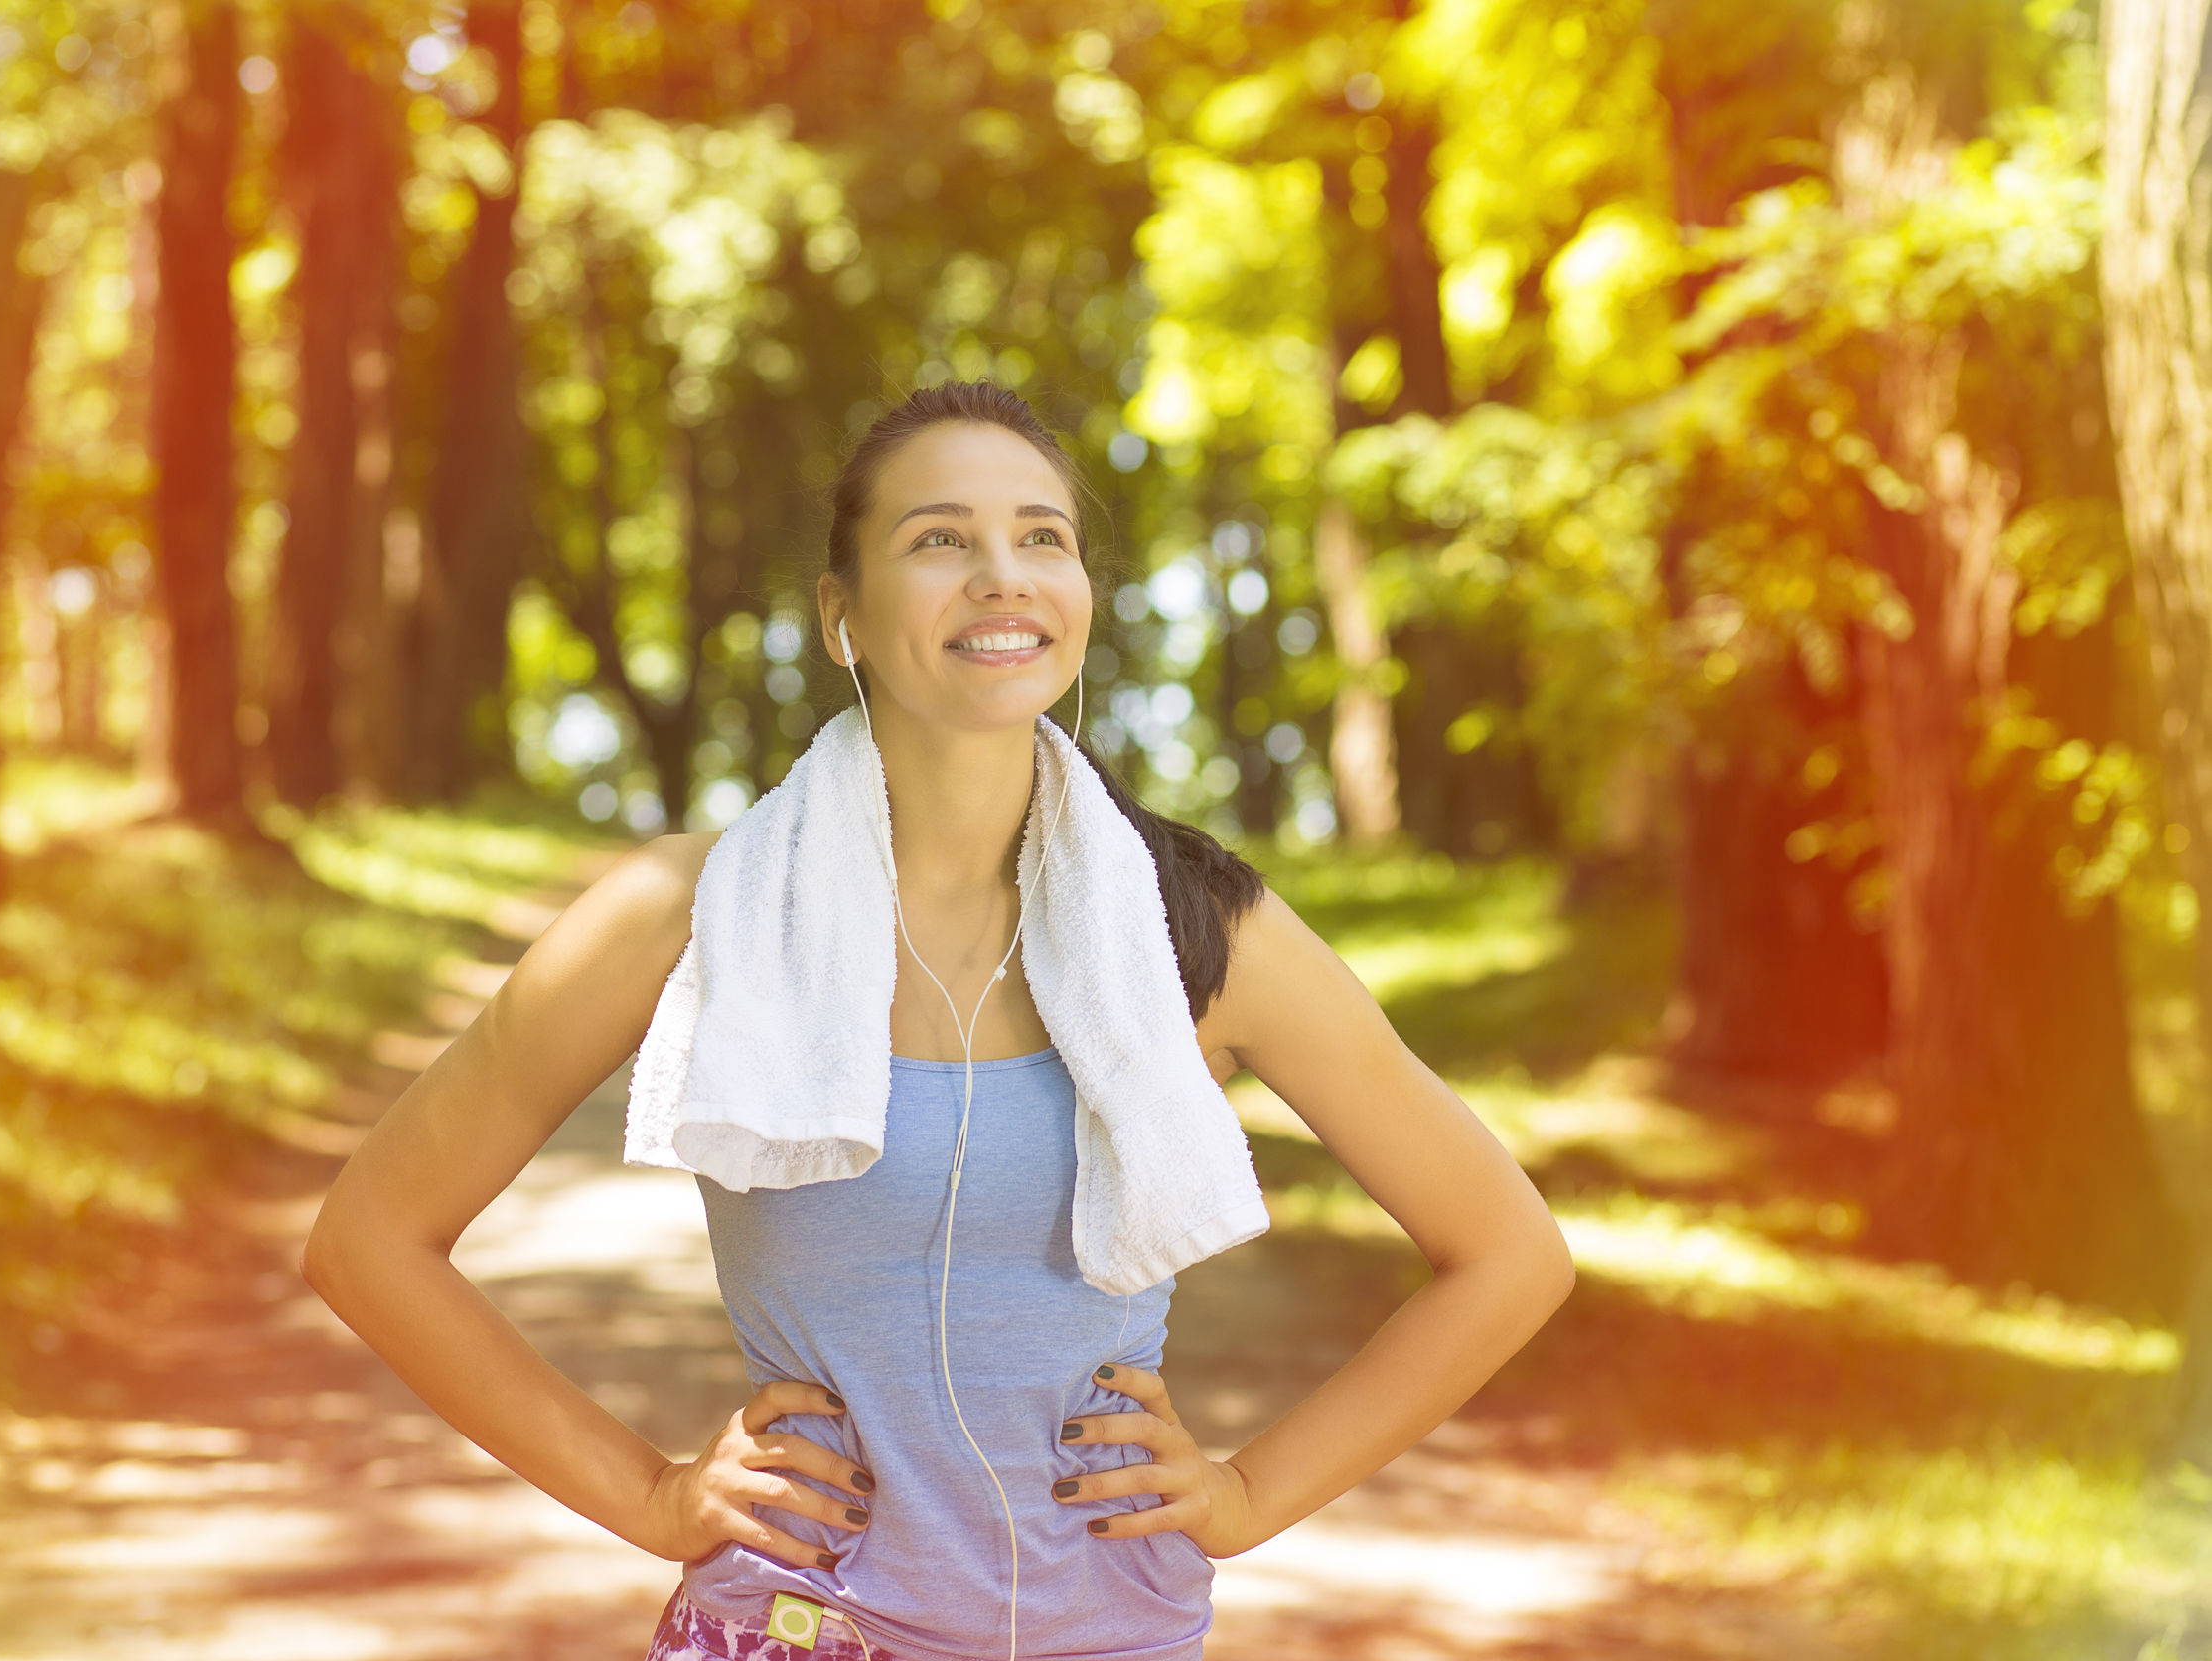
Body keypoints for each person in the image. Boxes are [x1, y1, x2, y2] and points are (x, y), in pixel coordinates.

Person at [302, 380, 1577, 1661]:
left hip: (1113, 1636)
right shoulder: (691, 912)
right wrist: (648, 1494)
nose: (1001, 576)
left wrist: (1247, 1497)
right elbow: (370, 1239)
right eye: (938, 540)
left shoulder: (1196, 930)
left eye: (1043, 537)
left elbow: (1510, 1254)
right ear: (841, 615)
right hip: (805, 1628)